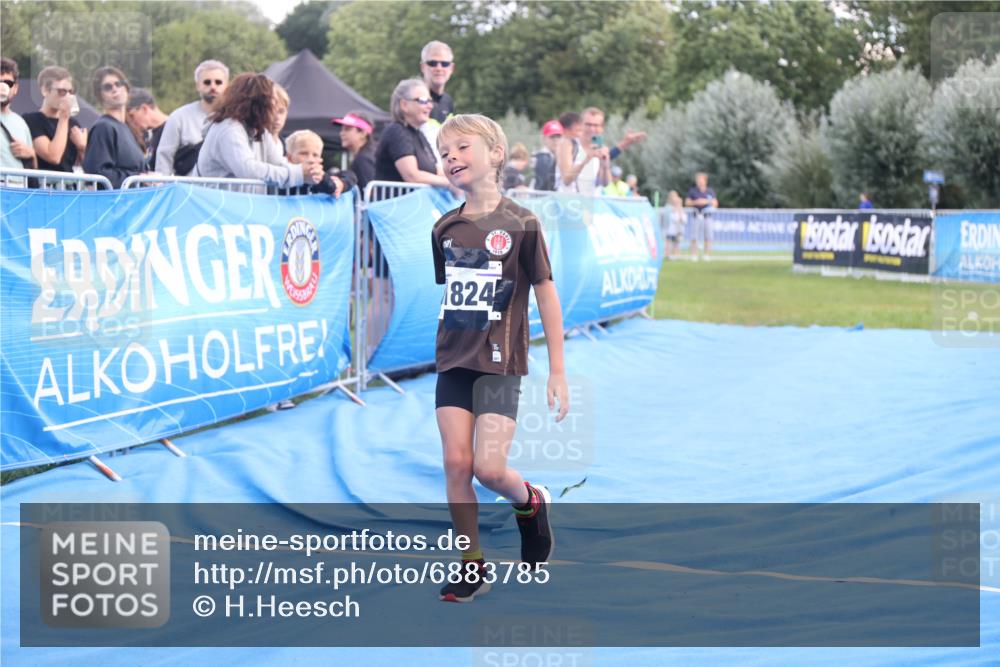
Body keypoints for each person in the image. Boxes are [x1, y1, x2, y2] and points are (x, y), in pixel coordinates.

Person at [432, 113, 568, 602]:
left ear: (495, 154)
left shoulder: (522, 224)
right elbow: (454, 294)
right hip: (453, 361)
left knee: (489, 470)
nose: (451, 159)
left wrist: (557, 369)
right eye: (444, 153)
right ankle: (472, 566)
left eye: (461, 148)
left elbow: (546, 293)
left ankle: (530, 503)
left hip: (500, 365)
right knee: (455, 463)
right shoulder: (444, 228)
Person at [196, 72, 323, 188]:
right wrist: (298, 174)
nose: (274, 110)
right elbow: (248, 170)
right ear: (257, 104)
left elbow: (278, 163)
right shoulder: (229, 130)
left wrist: (313, 172)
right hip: (218, 207)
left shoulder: (259, 130)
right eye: (271, 103)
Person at [374, 78, 451, 188]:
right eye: (423, 100)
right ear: (404, 105)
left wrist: (463, 179)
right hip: (396, 203)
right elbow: (412, 176)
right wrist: (450, 184)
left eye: (430, 101)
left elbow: (437, 171)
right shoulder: (397, 131)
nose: (430, 106)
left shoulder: (419, 134)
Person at [156, 59, 228, 175]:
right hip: (188, 189)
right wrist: (164, 186)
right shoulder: (179, 117)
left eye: (218, 82)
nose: (213, 87)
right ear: (198, 85)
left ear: (227, 85)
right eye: (207, 82)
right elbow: (165, 155)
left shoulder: (234, 118)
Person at [82, 66, 145, 188]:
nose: (115, 89)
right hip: (115, 203)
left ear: (126, 88)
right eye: (107, 87)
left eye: (118, 84)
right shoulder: (103, 128)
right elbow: (98, 175)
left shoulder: (128, 128)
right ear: (99, 95)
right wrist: (139, 179)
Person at [22, 65, 85, 175]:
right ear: (45, 90)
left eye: (71, 92)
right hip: (44, 187)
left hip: (69, 187)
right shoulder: (31, 120)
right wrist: (64, 117)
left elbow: (84, 166)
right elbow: (53, 157)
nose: (68, 96)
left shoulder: (73, 124)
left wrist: (82, 148)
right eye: (62, 92)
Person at [0, 58, 36, 187]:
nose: (2, 87)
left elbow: (34, 166)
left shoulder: (21, 123)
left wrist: (30, 153)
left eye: (8, 83)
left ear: (15, 88)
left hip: (18, 190)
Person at [419, 40, 455, 164]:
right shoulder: (413, 98)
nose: (439, 68)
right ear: (423, 67)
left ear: (451, 68)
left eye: (444, 64)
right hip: (421, 174)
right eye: (432, 63)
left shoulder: (448, 101)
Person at [555, 109, 608, 195]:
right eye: (588, 124)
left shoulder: (600, 148)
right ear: (580, 125)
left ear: (602, 128)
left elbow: (605, 184)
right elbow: (566, 179)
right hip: (567, 203)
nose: (591, 129)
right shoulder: (568, 143)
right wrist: (586, 159)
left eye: (596, 125)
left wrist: (605, 165)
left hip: (589, 205)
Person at [332, 110, 376, 192]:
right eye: (342, 129)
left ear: (363, 133)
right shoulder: (368, 154)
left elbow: (372, 194)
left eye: (347, 129)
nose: (341, 133)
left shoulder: (363, 159)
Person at [126, 88, 167, 173]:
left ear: (144, 109)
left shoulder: (174, 128)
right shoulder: (145, 136)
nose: (131, 122)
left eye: (131, 116)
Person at [684, 171, 719, 261]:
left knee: (708, 236)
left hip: (707, 216)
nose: (699, 182)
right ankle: (694, 255)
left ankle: (707, 255)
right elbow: (687, 202)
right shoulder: (692, 191)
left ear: (705, 181)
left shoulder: (710, 191)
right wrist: (697, 202)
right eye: (698, 180)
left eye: (701, 180)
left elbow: (715, 203)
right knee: (694, 236)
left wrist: (705, 201)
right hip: (696, 216)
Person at [529, 119, 562, 191]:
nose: (556, 140)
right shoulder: (542, 157)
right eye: (552, 137)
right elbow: (543, 185)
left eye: (558, 136)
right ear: (544, 138)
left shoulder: (558, 157)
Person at [663, 190, 685, 259]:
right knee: (668, 240)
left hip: (677, 228)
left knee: (676, 241)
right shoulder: (668, 206)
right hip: (668, 227)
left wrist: (679, 205)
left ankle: (676, 254)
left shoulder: (679, 206)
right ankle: (667, 254)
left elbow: (681, 215)